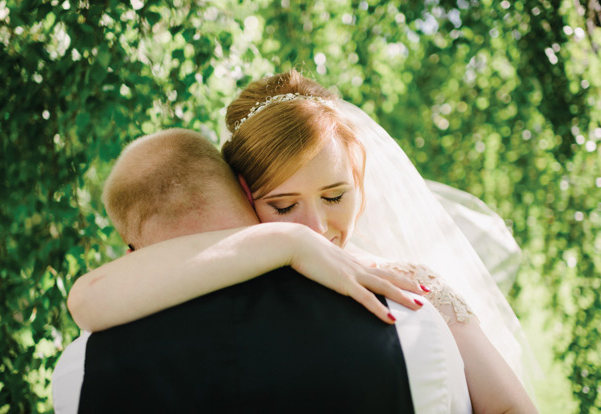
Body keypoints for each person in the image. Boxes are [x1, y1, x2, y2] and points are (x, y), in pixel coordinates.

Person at [66, 71, 538, 412]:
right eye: (284, 206)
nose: (316, 227)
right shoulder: (230, 265)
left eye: (335, 195)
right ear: (244, 197)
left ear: (361, 181)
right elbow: (88, 298)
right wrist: (287, 243)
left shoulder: (413, 284)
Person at [53, 128, 470, 412]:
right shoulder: (409, 321)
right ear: (248, 195)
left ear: (132, 256)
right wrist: (288, 243)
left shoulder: (80, 373)